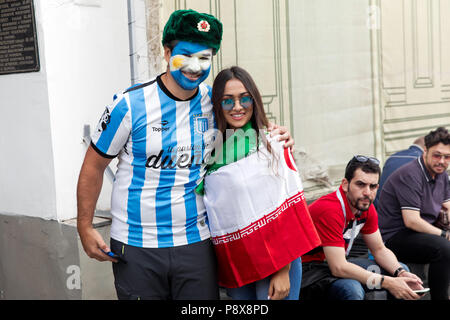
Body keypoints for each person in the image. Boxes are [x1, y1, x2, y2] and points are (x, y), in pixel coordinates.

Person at [76, 10, 293, 300]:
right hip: (137, 247)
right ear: (167, 52)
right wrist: (84, 225)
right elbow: (93, 165)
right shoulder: (128, 105)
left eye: (204, 58)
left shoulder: (215, 103)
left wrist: (277, 136)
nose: (195, 66)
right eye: (185, 56)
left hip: (197, 244)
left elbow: (249, 139)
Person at [195, 66, 321, 300]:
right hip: (238, 261)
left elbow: (288, 205)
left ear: (255, 100)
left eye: (245, 98)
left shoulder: (272, 141)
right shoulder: (210, 151)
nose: (237, 107)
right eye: (227, 101)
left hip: (278, 261)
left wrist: (283, 270)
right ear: (216, 105)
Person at [300, 155, 424, 300]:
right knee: (352, 289)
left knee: (402, 275)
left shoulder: (365, 206)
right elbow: (338, 267)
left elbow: (379, 249)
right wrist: (388, 283)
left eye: (372, 186)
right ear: (345, 184)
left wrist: (400, 273)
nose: (367, 192)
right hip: (309, 271)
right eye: (360, 184)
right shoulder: (330, 209)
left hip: (335, 264)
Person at [377, 127, 450, 300]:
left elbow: (448, 205)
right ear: (425, 151)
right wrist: (444, 234)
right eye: (437, 155)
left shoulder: (442, 175)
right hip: (395, 236)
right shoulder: (411, 174)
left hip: (419, 233)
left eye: (447, 157)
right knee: (444, 247)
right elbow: (411, 221)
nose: (441, 161)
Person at [374, 136, 425, 207]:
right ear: (426, 149)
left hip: (379, 208)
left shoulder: (391, 158)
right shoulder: (421, 161)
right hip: (400, 212)